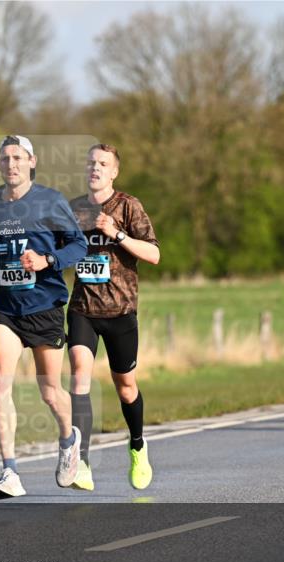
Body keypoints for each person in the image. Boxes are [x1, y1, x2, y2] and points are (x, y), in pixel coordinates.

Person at [0, 135, 88, 499]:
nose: (11, 164)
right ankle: (10, 472)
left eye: (18, 158)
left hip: (45, 306)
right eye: (5, 158)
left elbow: (78, 245)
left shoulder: (50, 201)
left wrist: (47, 261)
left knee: (50, 392)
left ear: (32, 161)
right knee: (0, 380)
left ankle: (69, 440)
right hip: (6, 307)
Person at [66, 144, 160, 491]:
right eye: (91, 162)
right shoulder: (73, 209)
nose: (96, 168)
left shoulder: (127, 206)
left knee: (126, 386)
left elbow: (154, 254)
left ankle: (137, 445)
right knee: (79, 375)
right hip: (83, 310)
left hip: (120, 311)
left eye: (103, 164)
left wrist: (117, 234)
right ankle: (83, 462)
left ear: (114, 172)